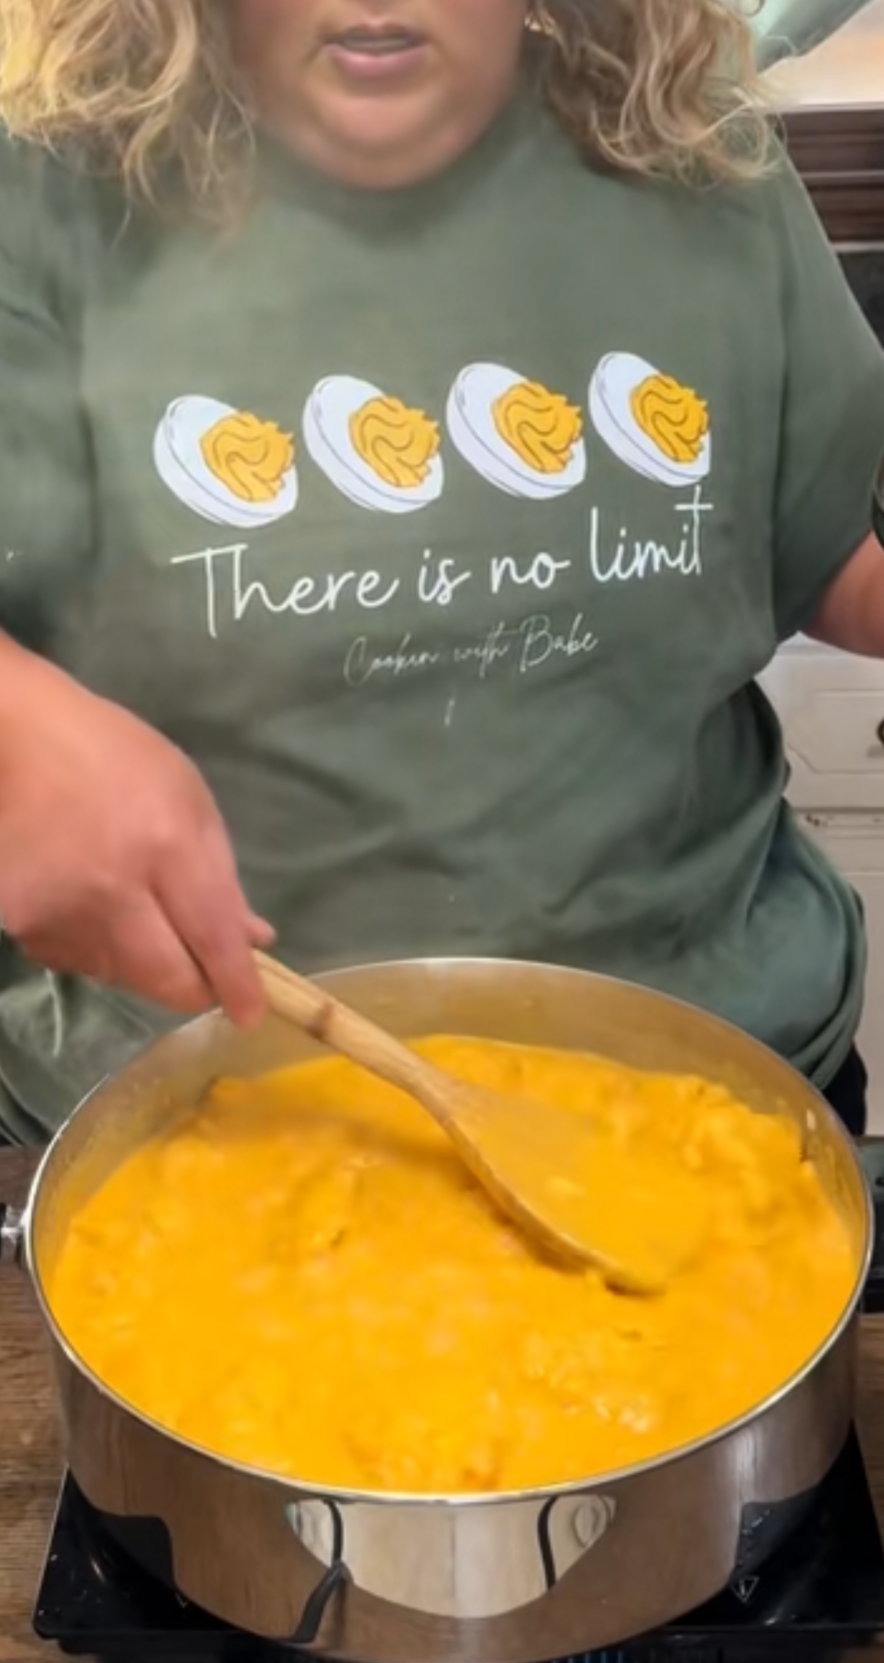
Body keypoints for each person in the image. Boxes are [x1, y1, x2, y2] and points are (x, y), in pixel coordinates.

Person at [0, 0, 881, 1146]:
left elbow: (815, 555)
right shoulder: (49, 196)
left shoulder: (686, 152)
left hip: (715, 1080)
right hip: (186, 1117)